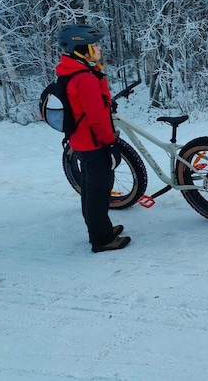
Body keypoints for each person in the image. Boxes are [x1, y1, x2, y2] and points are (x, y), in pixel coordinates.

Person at [56, 24, 130, 253]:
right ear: (81, 49)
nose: (98, 48)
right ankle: (102, 239)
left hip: (80, 141)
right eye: (94, 45)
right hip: (94, 143)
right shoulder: (85, 78)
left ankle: (101, 229)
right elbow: (97, 118)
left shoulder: (69, 70)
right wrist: (110, 142)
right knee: (99, 192)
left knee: (90, 189)